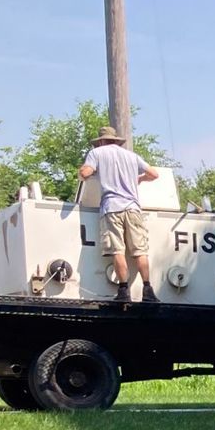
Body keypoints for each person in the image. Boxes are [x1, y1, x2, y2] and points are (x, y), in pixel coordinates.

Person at [78, 125, 160, 304]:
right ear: (116, 140)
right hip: (133, 208)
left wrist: (84, 172)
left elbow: (85, 172)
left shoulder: (97, 153)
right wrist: (139, 179)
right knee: (140, 251)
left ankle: (123, 291)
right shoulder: (131, 156)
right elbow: (154, 174)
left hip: (112, 207)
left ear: (100, 141)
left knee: (117, 250)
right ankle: (148, 289)